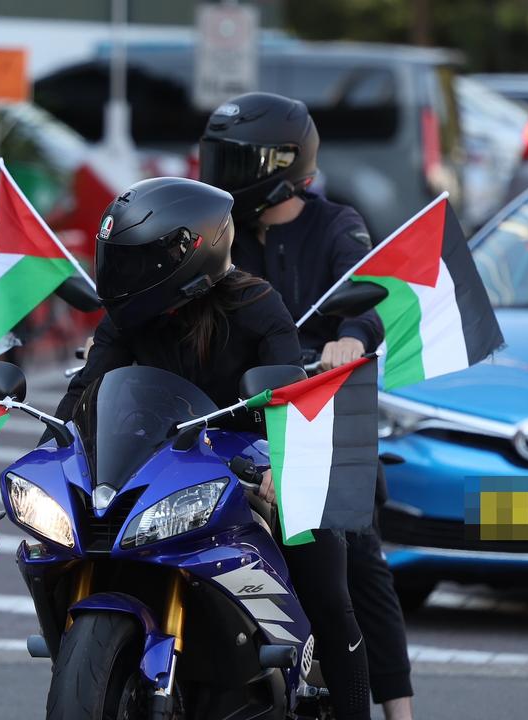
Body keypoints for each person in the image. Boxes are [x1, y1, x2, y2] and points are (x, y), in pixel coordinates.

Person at [57, 176, 373, 720]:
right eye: (117, 258)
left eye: (136, 260)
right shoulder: (126, 319)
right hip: (156, 472)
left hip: (249, 470)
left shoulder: (256, 304)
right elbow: (86, 389)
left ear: (185, 255)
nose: (121, 274)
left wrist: (283, 457)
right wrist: (53, 442)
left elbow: (292, 393)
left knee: (329, 594)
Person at [200, 92, 415, 720]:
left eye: (236, 164)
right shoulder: (220, 229)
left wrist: (353, 337)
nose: (222, 179)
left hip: (320, 410)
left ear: (285, 164)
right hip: (231, 411)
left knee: (360, 558)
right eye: (218, 161)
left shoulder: (336, 223)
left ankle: (398, 710)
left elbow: (370, 291)